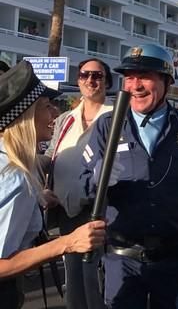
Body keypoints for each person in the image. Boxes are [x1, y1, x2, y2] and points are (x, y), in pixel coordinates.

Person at [79, 44, 178, 309]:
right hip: (122, 260)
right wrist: (97, 179)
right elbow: (83, 185)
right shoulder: (107, 126)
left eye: (145, 76)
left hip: (175, 259)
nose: (135, 85)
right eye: (130, 77)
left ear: (167, 81)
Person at [0, 61, 106, 308]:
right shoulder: (14, 177)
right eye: (47, 107)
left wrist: (36, 198)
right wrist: (67, 242)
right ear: (26, 116)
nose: (54, 114)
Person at [44, 58, 113, 309]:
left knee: (99, 281)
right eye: (84, 75)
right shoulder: (65, 119)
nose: (90, 80)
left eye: (97, 76)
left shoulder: (117, 117)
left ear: (107, 82)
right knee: (73, 280)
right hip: (66, 211)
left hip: (103, 212)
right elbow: (51, 155)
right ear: (78, 80)